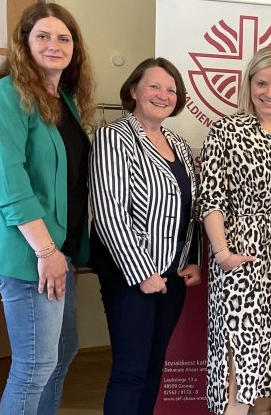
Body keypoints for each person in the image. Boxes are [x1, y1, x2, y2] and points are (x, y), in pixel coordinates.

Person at [0, 2, 95, 414]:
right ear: (24, 43)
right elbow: (11, 181)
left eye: (64, 38)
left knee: (61, 353)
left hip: (58, 251)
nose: (54, 45)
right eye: (42, 35)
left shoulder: (64, 101)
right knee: (34, 366)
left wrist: (64, 251)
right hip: (28, 254)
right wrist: (45, 251)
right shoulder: (8, 94)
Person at [199, 47, 271, 415]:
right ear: (248, 83)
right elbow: (211, 198)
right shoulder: (226, 129)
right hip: (239, 254)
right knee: (240, 355)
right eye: (262, 83)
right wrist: (222, 254)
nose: (270, 92)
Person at [88, 57, 202, 414]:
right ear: (134, 90)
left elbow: (192, 207)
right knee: (130, 371)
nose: (163, 94)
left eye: (171, 89)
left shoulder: (180, 144)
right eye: (154, 86)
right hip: (130, 275)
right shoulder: (113, 136)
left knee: (155, 366)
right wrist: (143, 273)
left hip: (172, 275)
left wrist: (194, 259)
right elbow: (109, 212)